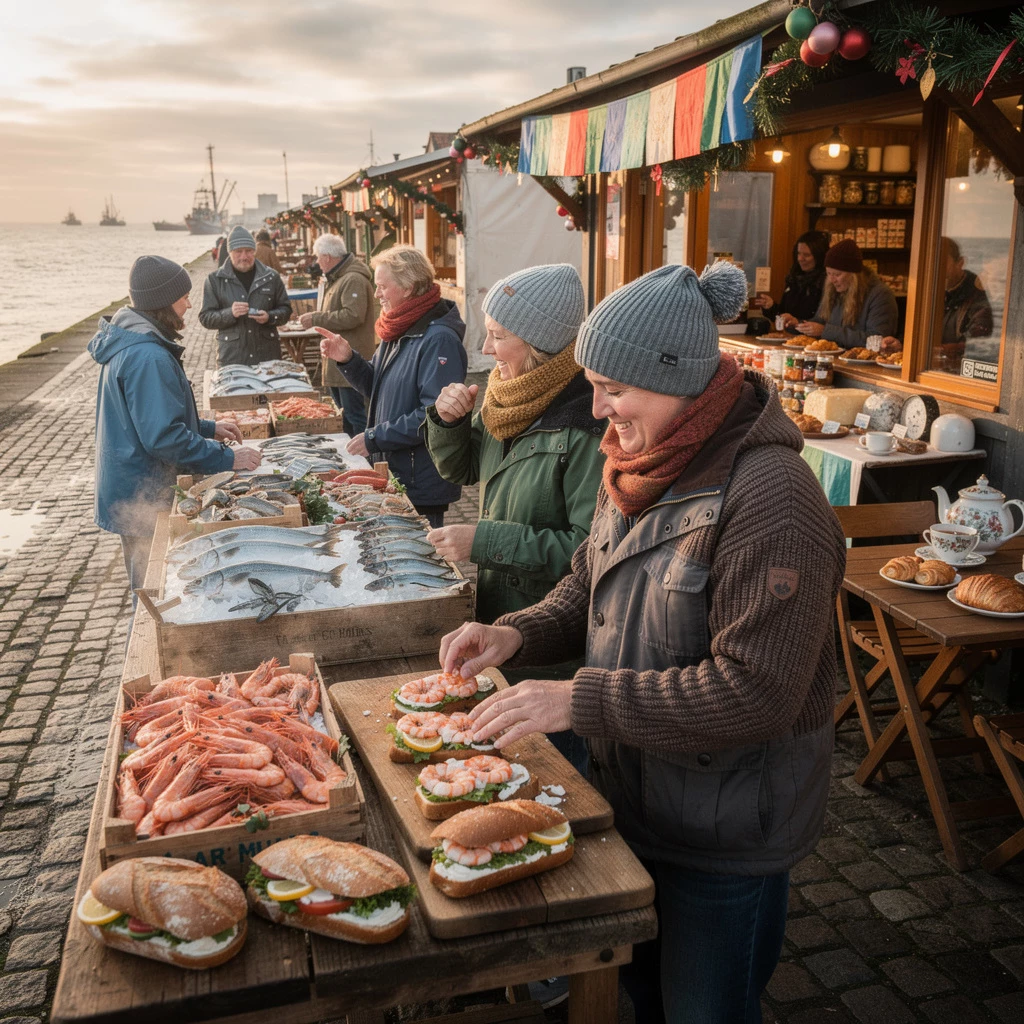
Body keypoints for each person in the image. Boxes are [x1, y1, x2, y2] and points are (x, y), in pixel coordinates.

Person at [437, 261, 846, 1024]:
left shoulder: (772, 498)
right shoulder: (636, 460)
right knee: (638, 996)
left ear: (681, 379)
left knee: (702, 1010)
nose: (597, 411)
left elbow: (756, 692)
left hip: (725, 828)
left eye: (613, 390)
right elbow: (585, 582)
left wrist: (574, 698)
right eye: (592, 385)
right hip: (639, 798)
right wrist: (512, 634)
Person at [424, 264, 605, 773]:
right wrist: (448, 422)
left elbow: (588, 548)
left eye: (499, 336)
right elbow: (459, 470)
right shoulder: (508, 398)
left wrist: (484, 540)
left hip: (558, 646)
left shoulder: (586, 425)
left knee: (554, 775)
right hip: (503, 620)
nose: (484, 348)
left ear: (540, 346)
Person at [89, 256, 262, 628]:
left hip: (132, 485)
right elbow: (163, 438)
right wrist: (227, 459)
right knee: (154, 596)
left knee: (151, 588)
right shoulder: (147, 355)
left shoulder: (134, 341)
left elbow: (152, 416)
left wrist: (206, 426)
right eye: (183, 296)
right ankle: (151, 670)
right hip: (143, 495)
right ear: (162, 301)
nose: (188, 304)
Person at [316, 245, 467, 527]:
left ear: (408, 287)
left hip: (418, 479)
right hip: (395, 473)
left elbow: (435, 415)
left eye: (382, 286)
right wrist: (347, 359)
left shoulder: (439, 340)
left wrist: (374, 438)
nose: (376, 294)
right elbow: (377, 385)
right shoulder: (396, 328)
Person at [299, 234, 375, 436]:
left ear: (327, 257)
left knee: (355, 415)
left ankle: (365, 460)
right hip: (339, 363)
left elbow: (353, 315)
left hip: (350, 361)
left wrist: (317, 318)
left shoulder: (352, 279)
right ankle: (352, 458)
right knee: (344, 415)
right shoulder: (340, 278)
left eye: (317, 257)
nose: (317, 262)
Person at [199, 225, 291, 366]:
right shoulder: (214, 280)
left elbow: (286, 310)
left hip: (267, 356)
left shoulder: (272, 277)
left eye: (248, 251)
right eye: (238, 251)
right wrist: (230, 313)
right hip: (232, 358)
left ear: (254, 251)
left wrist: (270, 317)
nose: (244, 256)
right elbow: (205, 318)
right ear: (230, 252)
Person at [796, 239, 898, 350]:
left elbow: (877, 340)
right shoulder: (835, 289)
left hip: (863, 362)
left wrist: (826, 331)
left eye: (837, 274)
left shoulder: (880, 295)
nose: (832, 280)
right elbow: (820, 321)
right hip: (835, 359)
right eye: (829, 274)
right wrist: (797, 324)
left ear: (854, 275)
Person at [753, 230, 829, 327]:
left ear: (819, 257)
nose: (800, 259)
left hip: (812, 340)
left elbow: (823, 322)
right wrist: (771, 307)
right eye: (798, 253)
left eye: (806, 255)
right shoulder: (794, 279)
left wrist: (798, 322)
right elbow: (784, 315)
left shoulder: (827, 283)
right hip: (789, 338)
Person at [940, 236, 994, 367]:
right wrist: (901, 343)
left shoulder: (976, 296)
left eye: (942, 263)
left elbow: (975, 344)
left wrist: (935, 351)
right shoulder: (929, 291)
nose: (936, 270)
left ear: (960, 262)